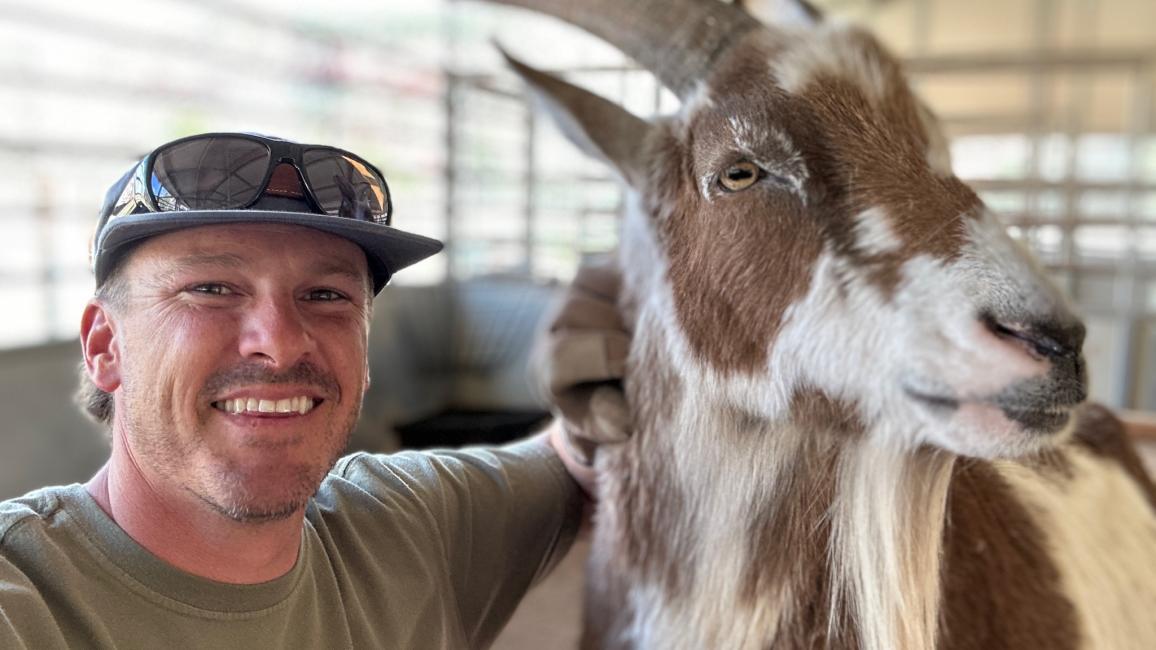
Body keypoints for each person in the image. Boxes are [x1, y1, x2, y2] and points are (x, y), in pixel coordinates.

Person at [0, 133, 629, 648]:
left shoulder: (413, 528)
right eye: (213, 288)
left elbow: (575, 457)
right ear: (105, 346)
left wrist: (631, 345)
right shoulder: (29, 605)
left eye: (326, 296)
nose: (281, 341)